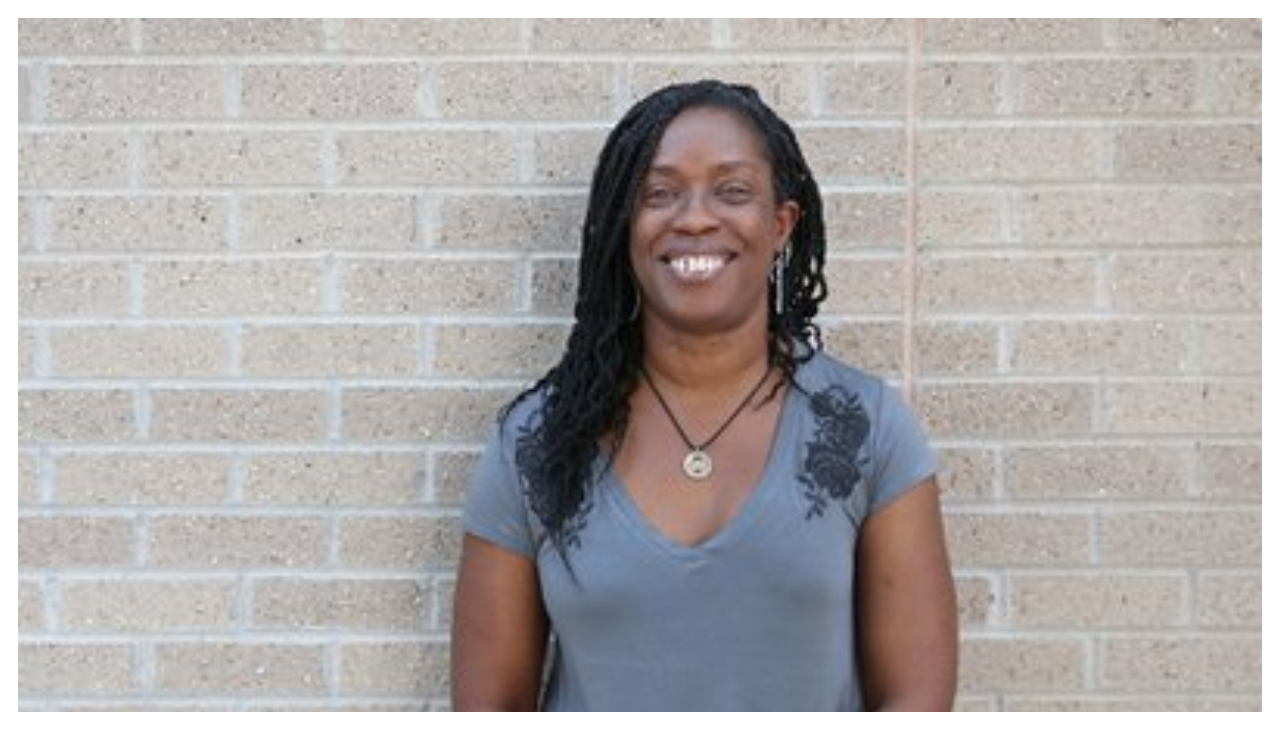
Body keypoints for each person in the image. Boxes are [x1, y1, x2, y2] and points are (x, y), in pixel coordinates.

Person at [450, 79, 957, 711]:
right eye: (659, 194)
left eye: (733, 190)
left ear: (780, 225)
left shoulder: (866, 429)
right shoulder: (536, 442)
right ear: (623, 227)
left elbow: (917, 699)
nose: (694, 216)